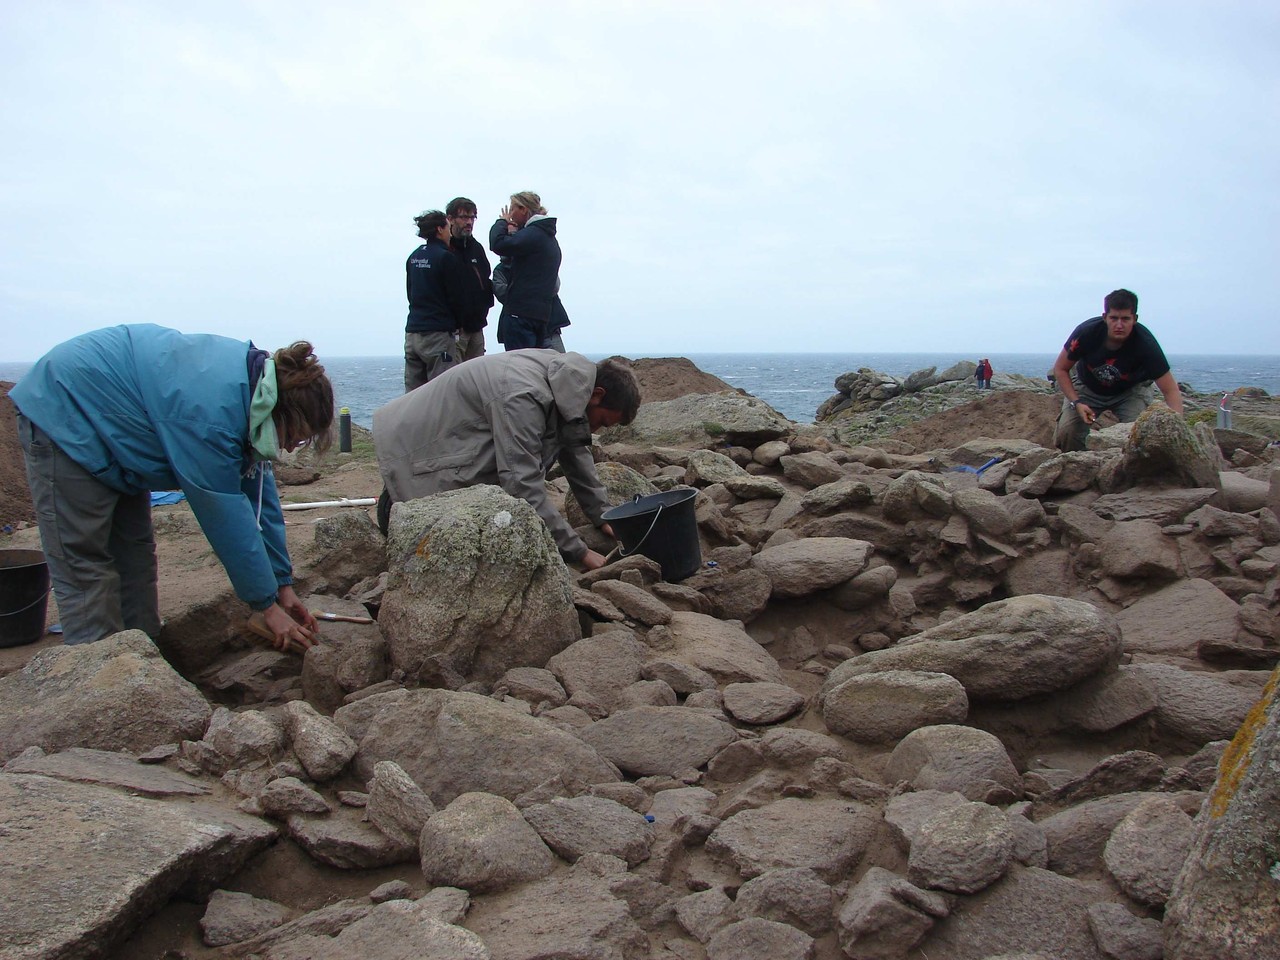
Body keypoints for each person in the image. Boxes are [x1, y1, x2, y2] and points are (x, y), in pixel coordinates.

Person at [10, 324, 334, 650]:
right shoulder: (211, 417)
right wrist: (265, 606)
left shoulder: (256, 396)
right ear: (283, 411)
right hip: (65, 411)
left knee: (134, 556)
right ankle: (100, 676)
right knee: (85, 566)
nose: (292, 446)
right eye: (296, 434)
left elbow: (260, 500)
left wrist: (282, 586)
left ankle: (147, 662)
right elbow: (225, 517)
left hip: (121, 434)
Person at [373, 351, 641, 569]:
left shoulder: (568, 382)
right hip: (412, 452)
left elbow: (575, 448)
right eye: (603, 422)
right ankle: (397, 518)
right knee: (442, 535)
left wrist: (605, 516)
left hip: (445, 436)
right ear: (598, 395)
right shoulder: (523, 395)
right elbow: (520, 483)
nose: (596, 431)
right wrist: (579, 552)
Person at [1051, 288, 1184, 452]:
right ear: (1105, 317)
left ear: (1134, 319)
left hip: (1130, 392)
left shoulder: (1146, 344)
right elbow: (1060, 369)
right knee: (1068, 432)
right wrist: (1076, 402)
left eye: (1125, 319)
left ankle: (1129, 471)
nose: (1119, 325)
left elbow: (1170, 390)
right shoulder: (1086, 333)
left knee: (1141, 437)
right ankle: (1076, 466)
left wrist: (1178, 431)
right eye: (1114, 318)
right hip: (1087, 388)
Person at [489, 191, 562, 351]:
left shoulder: (533, 235)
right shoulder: (548, 238)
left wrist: (501, 222)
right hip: (540, 315)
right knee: (534, 367)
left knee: (519, 367)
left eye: (513, 209)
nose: (510, 215)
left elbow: (498, 244)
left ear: (523, 209)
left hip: (520, 315)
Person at [404, 209, 467, 391]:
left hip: (414, 331)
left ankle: (412, 420)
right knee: (441, 391)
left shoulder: (414, 257)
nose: (450, 231)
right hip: (438, 333)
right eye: (448, 227)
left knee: (413, 393)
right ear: (440, 229)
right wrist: (458, 323)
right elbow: (456, 297)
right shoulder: (446, 258)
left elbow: (410, 292)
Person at [445, 197, 494, 363]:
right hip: (454, 330)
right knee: (454, 378)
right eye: (464, 217)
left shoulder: (476, 248)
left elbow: (485, 281)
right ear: (450, 219)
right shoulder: (444, 250)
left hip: (477, 326)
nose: (469, 222)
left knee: (477, 378)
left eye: (472, 217)